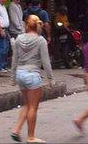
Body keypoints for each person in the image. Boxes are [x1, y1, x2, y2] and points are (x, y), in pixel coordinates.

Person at [10, 15, 54, 143]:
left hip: (20, 74)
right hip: (33, 75)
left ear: (27, 25)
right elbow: (46, 62)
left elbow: (14, 59)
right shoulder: (41, 40)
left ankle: (16, 130)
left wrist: (13, 77)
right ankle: (31, 136)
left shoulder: (19, 39)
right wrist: (51, 79)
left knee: (27, 104)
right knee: (33, 107)